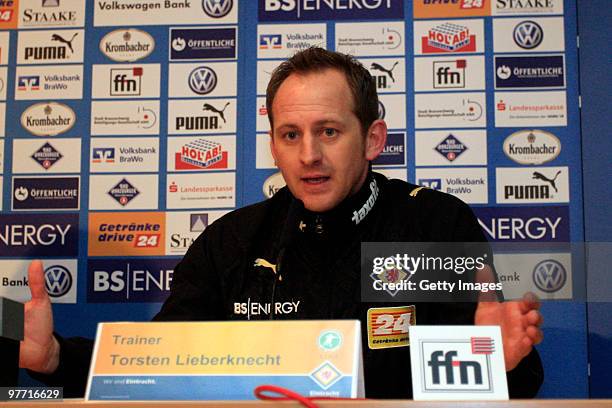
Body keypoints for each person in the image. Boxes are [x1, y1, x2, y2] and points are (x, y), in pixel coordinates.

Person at [20, 47, 544, 399]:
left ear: (373, 139)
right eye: (290, 134)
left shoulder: (436, 225)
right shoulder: (230, 242)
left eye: (330, 131)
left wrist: (499, 361)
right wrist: (55, 360)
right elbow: (164, 370)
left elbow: (521, 381)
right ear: (273, 145)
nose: (309, 154)